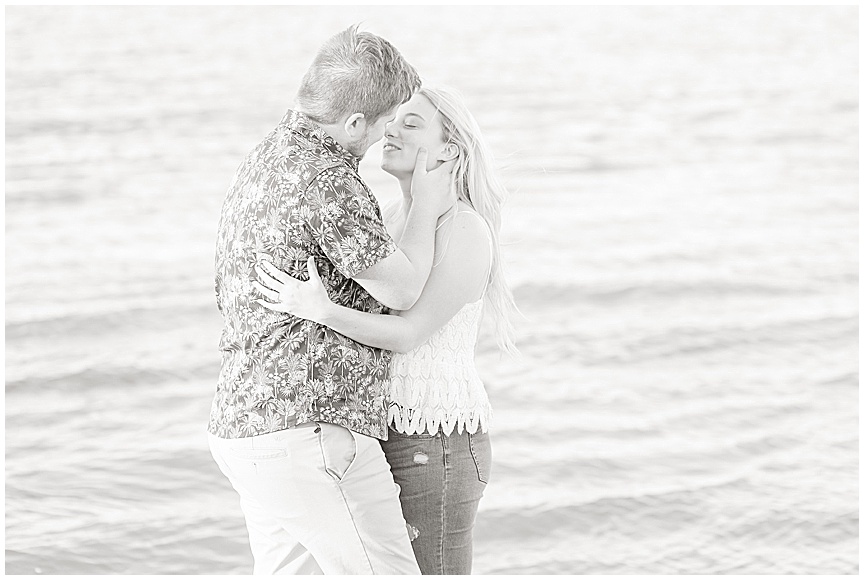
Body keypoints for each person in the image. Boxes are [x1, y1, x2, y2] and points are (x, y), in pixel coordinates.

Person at [207, 25, 457, 575]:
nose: (383, 137)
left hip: (246, 428)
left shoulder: (263, 161)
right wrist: (428, 203)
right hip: (312, 433)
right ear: (351, 123)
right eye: (384, 123)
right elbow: (404, 286)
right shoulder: (326, 178)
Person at [254, 86, 519, 575]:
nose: (391, 129)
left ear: (449, 150)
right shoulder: (394, 219)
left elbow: (409, 333)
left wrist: (321, 310)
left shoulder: (464, 230)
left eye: (412, 124)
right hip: (380, 436)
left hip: (434, 440)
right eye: (394, 120)